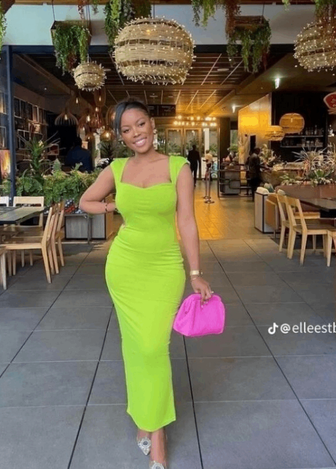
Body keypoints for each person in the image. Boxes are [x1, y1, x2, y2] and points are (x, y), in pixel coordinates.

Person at [79, 99, 212, 468]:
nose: (135, 133)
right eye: (126, 129)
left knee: (153, 348)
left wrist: (195, 273)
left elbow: (187, 222)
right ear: (121, 136)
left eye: (140, 124)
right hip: (124, 268)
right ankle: (151, 428)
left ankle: (153, 427)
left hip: (164, 268)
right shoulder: (117, 169)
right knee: (135, 348)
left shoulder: (178, 167)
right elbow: (86, 201)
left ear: (152, 124)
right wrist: (112, 207)